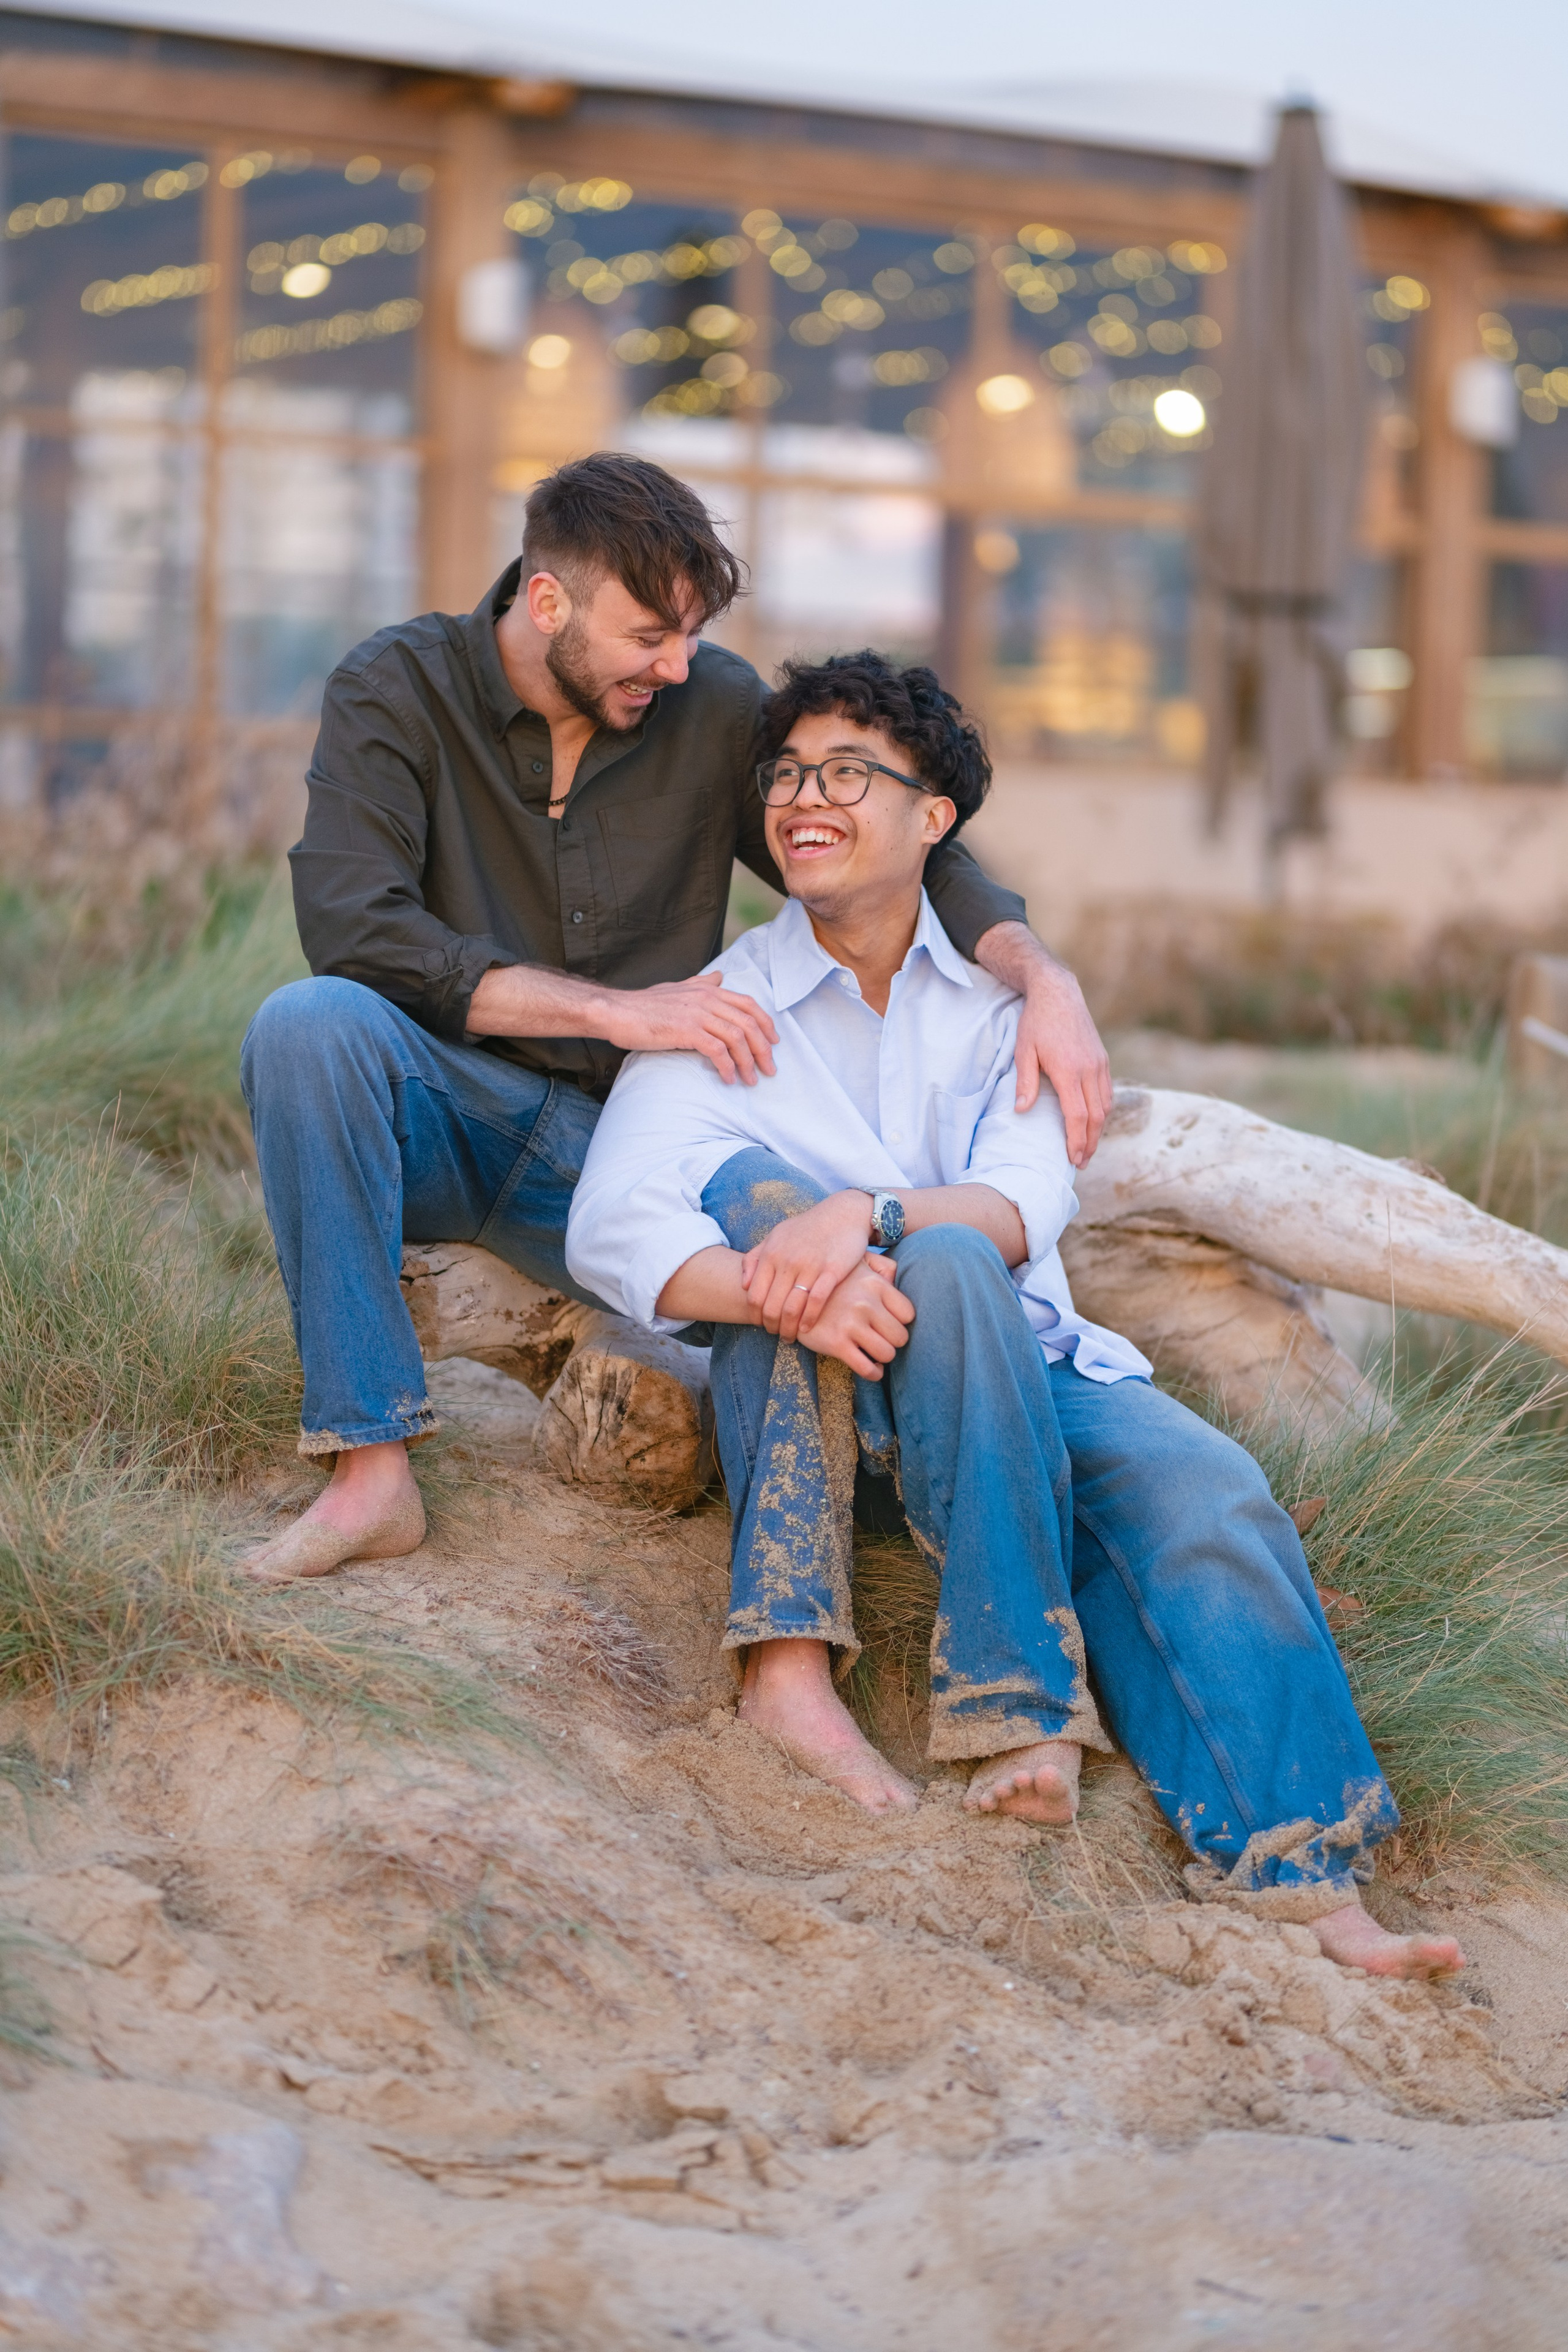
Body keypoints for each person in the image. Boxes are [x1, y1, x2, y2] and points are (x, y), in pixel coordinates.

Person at [565, 650, 1463, 1982]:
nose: (804, 799)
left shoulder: (1008, 1013)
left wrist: (858, 1219)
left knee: (1209, 1490)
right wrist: (790, 1283)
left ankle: (1303, 1880)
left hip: (1029, 1374)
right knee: (924, 1266)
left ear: (934, 818)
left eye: (847, 775)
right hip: (836, 1399)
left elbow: (1018, 1203)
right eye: (788, 774)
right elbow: (611, 1226)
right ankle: (1015, 1706)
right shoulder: (724, 1011)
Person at [238, 453, 1110, 1583]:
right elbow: (357, 930)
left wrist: (1047, 980)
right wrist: (618, 1011)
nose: (678, 662)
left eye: (692, 632)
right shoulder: (395, 688)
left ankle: (831, 1591)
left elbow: (908, 854)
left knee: (793, 1226)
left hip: (646, 1154)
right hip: (453, 1119)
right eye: (651, 634)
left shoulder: (712, 710)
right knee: (307, 1025)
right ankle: (371, 1476)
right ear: (547, 602)